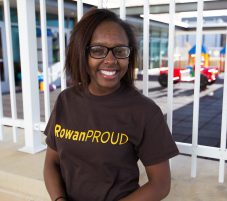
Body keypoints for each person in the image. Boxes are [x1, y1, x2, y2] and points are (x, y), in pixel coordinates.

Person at [43, 8, 179, 201]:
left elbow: (160, 184)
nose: (110, 60)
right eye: (98, 50)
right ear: (81, 53)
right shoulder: (65, 101)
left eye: (120, 51)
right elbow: (51, 163)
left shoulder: (145, 112)